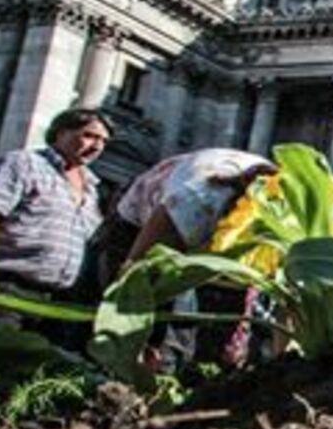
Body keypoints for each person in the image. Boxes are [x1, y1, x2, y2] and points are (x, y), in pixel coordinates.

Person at [107, 148, 279, 370]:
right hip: (137, 225)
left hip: (211, 240)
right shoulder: (198, 200)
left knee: (222, 343)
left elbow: (290, 303)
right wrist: (132, 340)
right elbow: (134, 270)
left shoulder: (290, 218)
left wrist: (282, 363)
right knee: (168, 331)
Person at [0, 110, 111, 318]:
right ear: (60, 133)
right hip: (7, 287)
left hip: (57, 301)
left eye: (103, 141)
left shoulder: (92, 188)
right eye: (89, 136)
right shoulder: (23, 163)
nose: (97, 147)